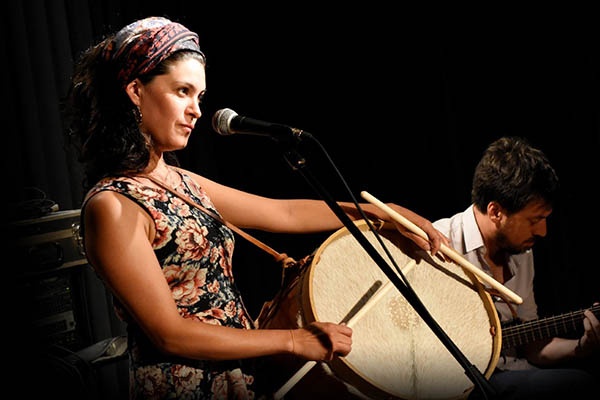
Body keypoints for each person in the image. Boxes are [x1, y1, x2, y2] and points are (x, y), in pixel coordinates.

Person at [63, 16, 448, 399]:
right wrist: (293, 340)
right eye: (182, 91)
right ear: (136, 90)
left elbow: (284, 214)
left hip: (239, 377)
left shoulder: (179, 181)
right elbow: (170, 334)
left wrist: (380, 213)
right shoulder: (112, 205)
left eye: (199, 97)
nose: (196, 110)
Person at [432, 136, 599, 399]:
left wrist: (580, 347)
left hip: (511, 372)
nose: (543, 231)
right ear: (496, 212)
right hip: (459, 384)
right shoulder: (439, 246)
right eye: (535, 220)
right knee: (579, 384)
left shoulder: (521, 251)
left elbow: (532, 348)